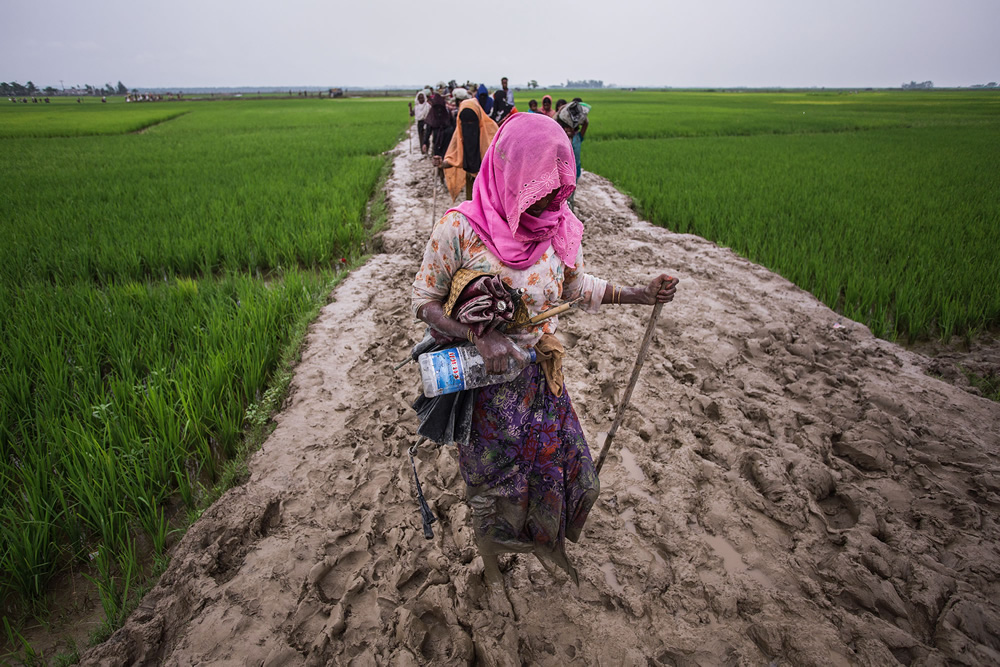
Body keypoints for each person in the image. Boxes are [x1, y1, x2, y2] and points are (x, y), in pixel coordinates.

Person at [412, 113, 679, 602]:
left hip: (541, 384)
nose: (552, 203)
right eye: (541, 191)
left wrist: (642, 293)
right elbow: (425, 303)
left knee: (557, 473)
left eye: (560, 190)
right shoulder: (459, 229)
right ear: (511, 172)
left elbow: (578, 288)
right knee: (493, 487)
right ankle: (493, 562)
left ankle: (546, 547)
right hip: (485, 393)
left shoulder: (558, 225)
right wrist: (477, 336)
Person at [435, 98, 498, 201]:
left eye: (472, 121)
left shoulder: (492, 131)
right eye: (465, 122)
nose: (469, 126)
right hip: (470, 177)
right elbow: (454, 158)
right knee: (472, 205)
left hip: (490, 182)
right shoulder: (459, 134)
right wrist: (441, 163)